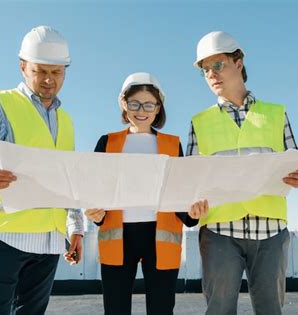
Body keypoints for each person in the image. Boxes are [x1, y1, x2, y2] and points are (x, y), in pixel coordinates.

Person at [0, 26, 83, 314]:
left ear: (65, 71)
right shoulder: (0, 105)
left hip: (48, 242)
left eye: (57, 72)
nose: (49, 80)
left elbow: (69, 181)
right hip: (3, 238)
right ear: (23, 67)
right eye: (40, 71)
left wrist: (76, 229)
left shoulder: (67, 120)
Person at [188, 31, 298, 315]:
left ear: (238, 62)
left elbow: (295, 161)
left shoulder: (276, 113)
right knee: (219, 310)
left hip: (270, 231)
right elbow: (191, 179)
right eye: (205, 70)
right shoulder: (199, 122)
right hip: (219, 231)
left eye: (218, 65)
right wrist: (192, 201)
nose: (211, 75)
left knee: (270, 310)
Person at [85, 72, 209, 315]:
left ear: (158, 107)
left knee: (161, 309)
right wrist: (94, 213)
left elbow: (179, 192)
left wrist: (192, 215)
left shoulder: (172, 145)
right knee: (115, 309)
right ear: (124, 104)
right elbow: (94, 190)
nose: (141, 110)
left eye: (148, 104)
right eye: (134, 103)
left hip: (159, 239)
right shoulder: (106, 142)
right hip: (118, 238)